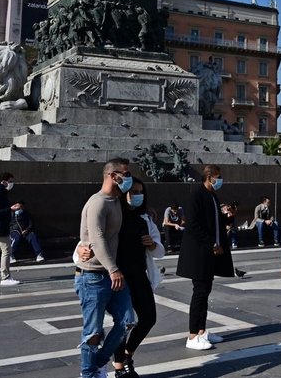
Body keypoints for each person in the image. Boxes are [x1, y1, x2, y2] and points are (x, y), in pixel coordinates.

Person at [78, 176, 165, 378]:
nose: (137, 195)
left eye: (140, 192)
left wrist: (151, 244)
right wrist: (80, 250)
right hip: (116, 276)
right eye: (133, 191)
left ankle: (126, 355)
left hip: (139, 274)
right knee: (124, 322)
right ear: (123, 193)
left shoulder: (145, 219)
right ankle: (118, 366)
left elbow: (159, 251)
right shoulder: (113, 214)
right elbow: (92, 237)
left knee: (148, 318)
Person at [72, 158, 135, 378]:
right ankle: (88, 373)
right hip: (93, 276)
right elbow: (95, 238)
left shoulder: (116, 201)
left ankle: (97, 362)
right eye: (125, 174)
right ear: (112, 175)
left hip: (111, 274)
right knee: (93, 332)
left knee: (128, 320)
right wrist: (113, 269)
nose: (128, 178)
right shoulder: (97, 202)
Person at [176, 165, 235, 350]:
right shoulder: (196, 196)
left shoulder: (212, 196)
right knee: (199, 293)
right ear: (209, 177)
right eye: (218, 177)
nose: (220, 180)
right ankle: (193, 335)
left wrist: (229, 217)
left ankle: (202, 331)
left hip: (210, 253)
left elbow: (215, 222)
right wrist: (212, 243)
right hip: (200, 252)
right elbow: (193, 224)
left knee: (205, 292)